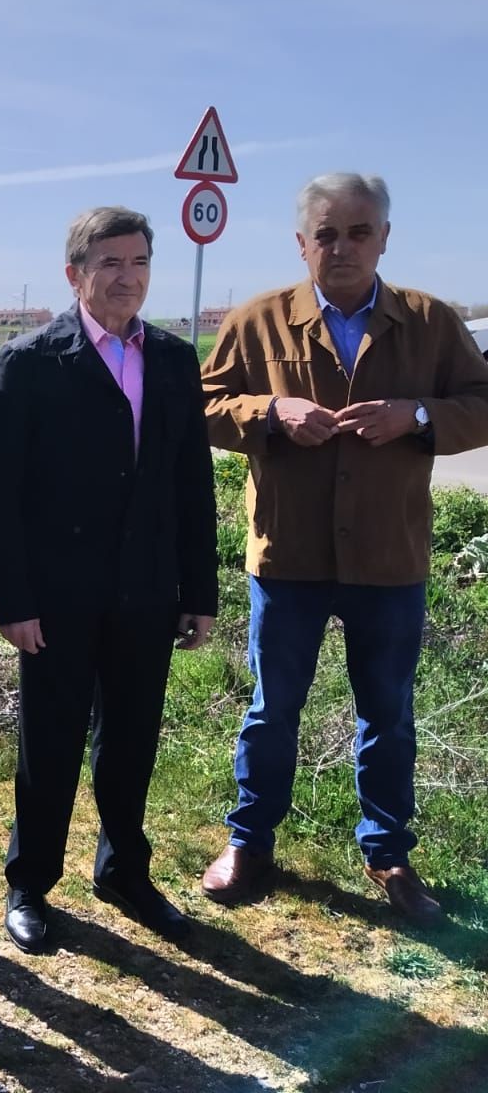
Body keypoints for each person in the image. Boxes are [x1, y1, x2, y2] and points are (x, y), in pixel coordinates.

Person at [200, 173, 488, 925]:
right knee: (271, 710)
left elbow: (482, 404)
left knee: (388, 713)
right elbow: (201, 405)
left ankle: (388, 851)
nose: (343, 247)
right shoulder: (258, 320)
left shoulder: (430, 321)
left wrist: (417, 414)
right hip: (288, 557)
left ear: (385, 238)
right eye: (327, 233)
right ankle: (250, 840)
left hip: (389, 560)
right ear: (303, 243)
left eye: (360, 232)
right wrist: (270, 411)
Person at [0, 207, 218, 954]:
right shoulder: (32, 361)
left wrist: (198, 593)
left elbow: (192, 482)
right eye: (109, 262)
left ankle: (123, 871)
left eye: (139, 261)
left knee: (132, 739)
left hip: (146, 588)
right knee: (48, 743)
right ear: (75, 272)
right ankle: (30, 882)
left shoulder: (176, 360)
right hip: (58, 596)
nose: (127, 276)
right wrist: (13, 601)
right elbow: (0, 493)